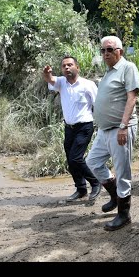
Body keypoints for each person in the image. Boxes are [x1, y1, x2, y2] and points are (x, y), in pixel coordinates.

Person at [86, 35, 139, 231]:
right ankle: (115, 196)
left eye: (110, 49)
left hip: (120, 129)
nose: (106, 53)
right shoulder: (108, 71)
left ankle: (124, 215)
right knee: (92, 162)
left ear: (120, 51)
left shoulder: (127, 68)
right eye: (103, 50)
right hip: (104, 129)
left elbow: (131, 98)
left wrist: (123, 126)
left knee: (122, 171)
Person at [43, 56, 101, 202]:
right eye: (64, 66)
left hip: (85, 126)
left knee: (76, 158)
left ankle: (95, 182)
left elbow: (98, 105)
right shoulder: (62, 83)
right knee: (71, 159)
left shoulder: (88, 85)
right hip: (69, 128)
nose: (67, 68)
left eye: (70, 65)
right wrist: (47, 73)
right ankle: (81, 189)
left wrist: (101, 125)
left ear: (77, 67)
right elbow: (50, 80)